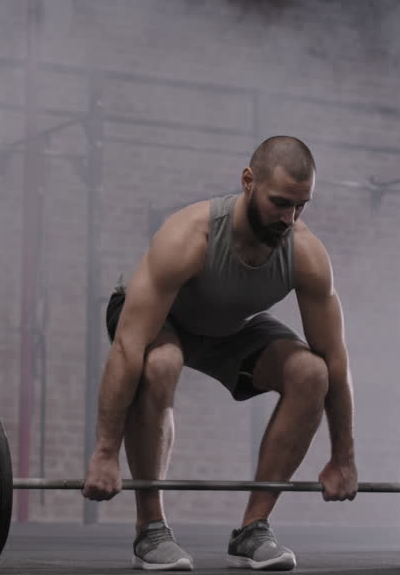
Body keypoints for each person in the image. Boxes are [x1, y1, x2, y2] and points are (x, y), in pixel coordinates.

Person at [82, 135, 357, 571]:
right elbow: (128, 347)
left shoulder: (306, 254)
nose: (289, 217)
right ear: (248, 181)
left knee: (312, 373)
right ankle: (150, 529)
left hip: (229, 329)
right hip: (160, 321)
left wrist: (343, 458)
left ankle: (253, 529)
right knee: (160, 363)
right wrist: (103, 454)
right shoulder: (190, 236)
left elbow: (336, 361)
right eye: (280, 202)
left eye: (301, 206)